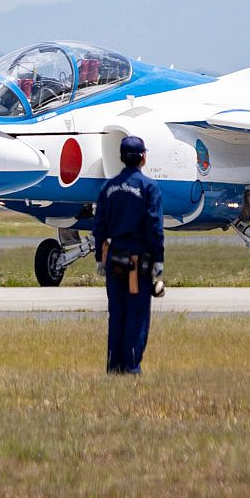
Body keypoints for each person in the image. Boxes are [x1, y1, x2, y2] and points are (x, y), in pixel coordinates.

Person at [95, 135, 164, 375]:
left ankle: (114, 366)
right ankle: (131, 366)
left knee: (117, 314)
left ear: (122, 158)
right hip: (137, 261)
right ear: (143, 157)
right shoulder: (148, 187)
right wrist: (158, 259)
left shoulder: (108, 187)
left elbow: (99, 226)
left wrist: (98, 258)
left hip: (114, 259)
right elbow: (154, 226)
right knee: (136, 314)